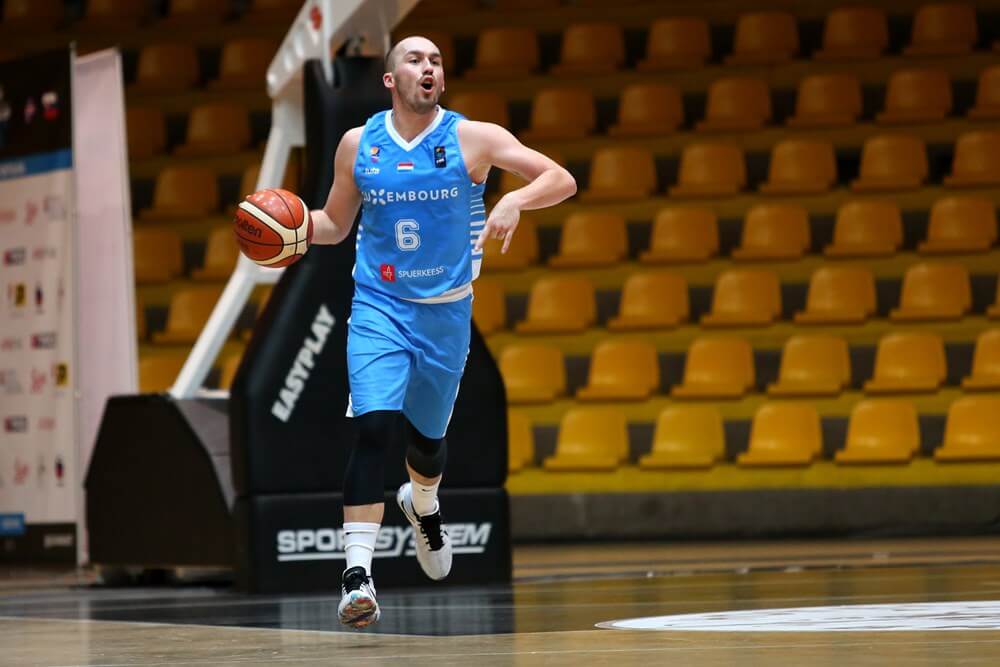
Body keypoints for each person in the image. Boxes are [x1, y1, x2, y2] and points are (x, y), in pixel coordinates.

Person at [309, 35, 576, 629]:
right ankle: (357, 577)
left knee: (426, 445)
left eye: (435, 61)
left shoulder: (472, 138)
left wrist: (516, 201)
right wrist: (295, 227)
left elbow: (561, 178)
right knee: (373, 428)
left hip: (445, 313)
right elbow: (334, 222)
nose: (427, 67)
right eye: (414, 59)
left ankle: (423, 504)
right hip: (378, 306)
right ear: (390, 80)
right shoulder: (357, 144)